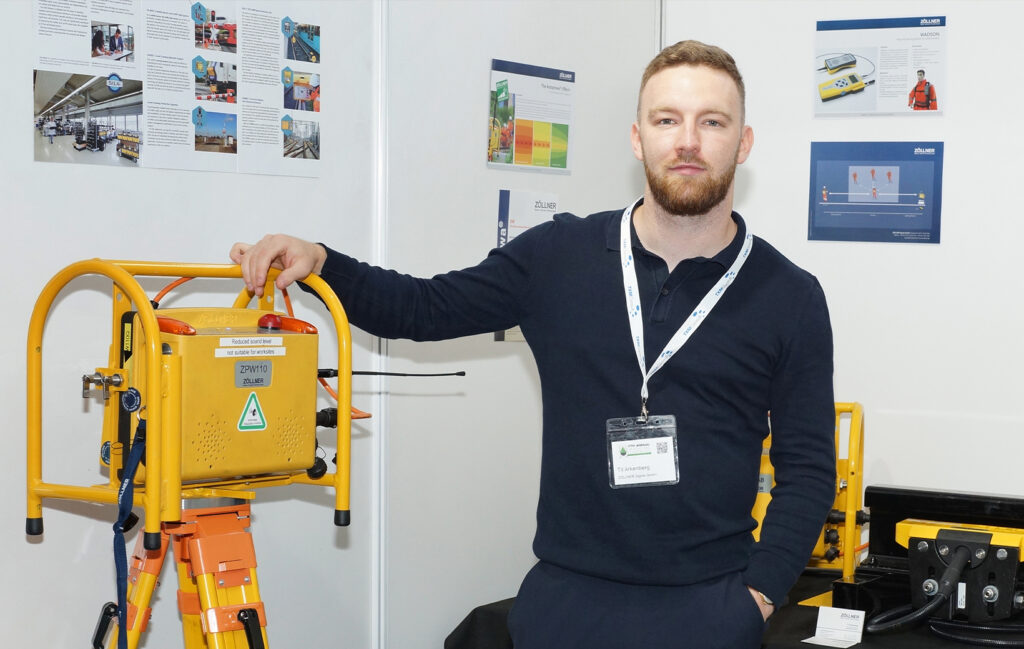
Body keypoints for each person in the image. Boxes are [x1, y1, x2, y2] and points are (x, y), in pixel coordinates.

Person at [231, 40, 835, 649]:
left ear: (744, 142)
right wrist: (323, 263)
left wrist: (757, 597)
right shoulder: (558, 257)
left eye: (712, 122)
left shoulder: (790, 297)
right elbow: (422, 306)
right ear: (637, 138)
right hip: (565, 607)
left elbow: (808, 470)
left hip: (709, 610)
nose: (687, 141)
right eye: (667, 120)